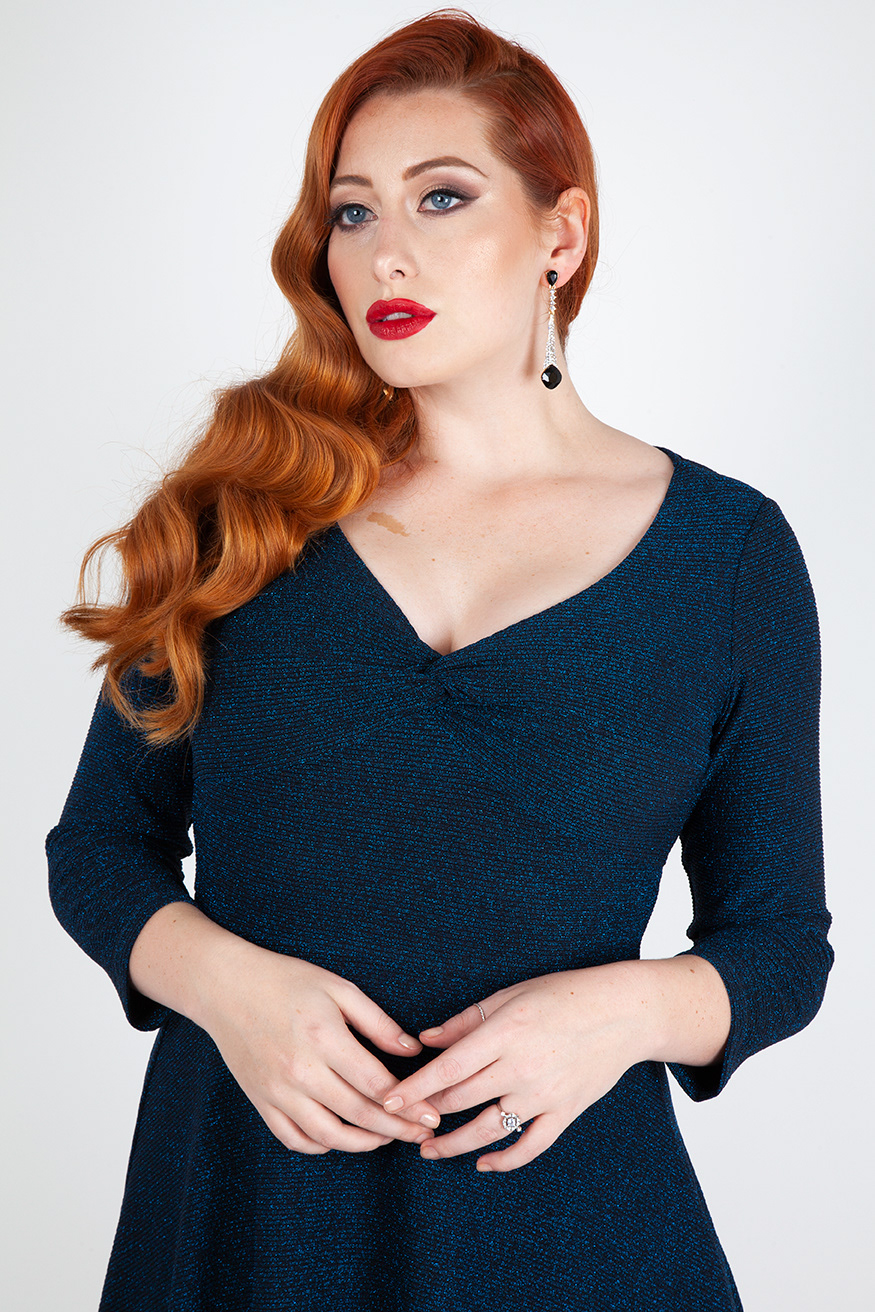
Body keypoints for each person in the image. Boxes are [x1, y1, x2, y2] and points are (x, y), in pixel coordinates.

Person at [46, 8, 835, 1310]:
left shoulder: (726, 556)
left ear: (560, 237)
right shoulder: (242, 517)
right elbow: (98, 850)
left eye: (443, 197)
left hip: (571, 1240)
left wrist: (621, 1016)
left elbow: (779, 944)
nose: (385, 252)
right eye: (352, 213)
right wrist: (229, 988)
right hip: (245, 1221)